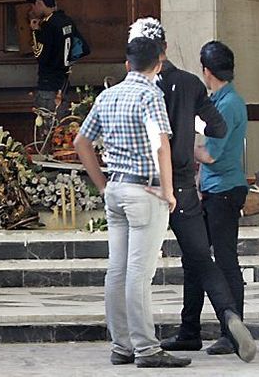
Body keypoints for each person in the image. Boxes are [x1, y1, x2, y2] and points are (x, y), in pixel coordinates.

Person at [129, 19, 255, 363]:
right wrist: (189, 128)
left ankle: (130, 343)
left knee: (133, 267)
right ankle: (228, 316)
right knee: (201, 258)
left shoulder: (135, 89)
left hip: (148, 185)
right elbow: (217, 125)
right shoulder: (189, 83)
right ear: (165, 48)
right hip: (185, 186)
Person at [74, 36, 189, 369]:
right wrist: (168, 191)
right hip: (144, 192)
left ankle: (121, 344)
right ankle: (146, 348)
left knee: (118, 270)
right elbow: (160, 145)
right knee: (139, 273)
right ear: (159, 65)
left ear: (127, 64)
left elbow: (81, 142)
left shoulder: (108, 96)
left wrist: (101, 183)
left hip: (116, 190)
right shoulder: (150, 95)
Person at [191, 41, 250, 355]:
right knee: (204, 259)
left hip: (224, 189)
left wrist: (183, 147)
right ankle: (197, 328)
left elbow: (210, 155)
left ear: (207, 71)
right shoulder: (222, 99)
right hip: (215, 188)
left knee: (226, 261)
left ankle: (233, 333)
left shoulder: (226, 104)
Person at [25, 0, 82, 139]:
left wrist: (35, 32)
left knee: (47, 135)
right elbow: (82, 48)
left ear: (38, 2)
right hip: (64, 85)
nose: (32, 11)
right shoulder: (67, 21)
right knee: (62, 134)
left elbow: (40, 55)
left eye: (32, 6)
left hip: (48, 86)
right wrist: (66, 63)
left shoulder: (48, 25)